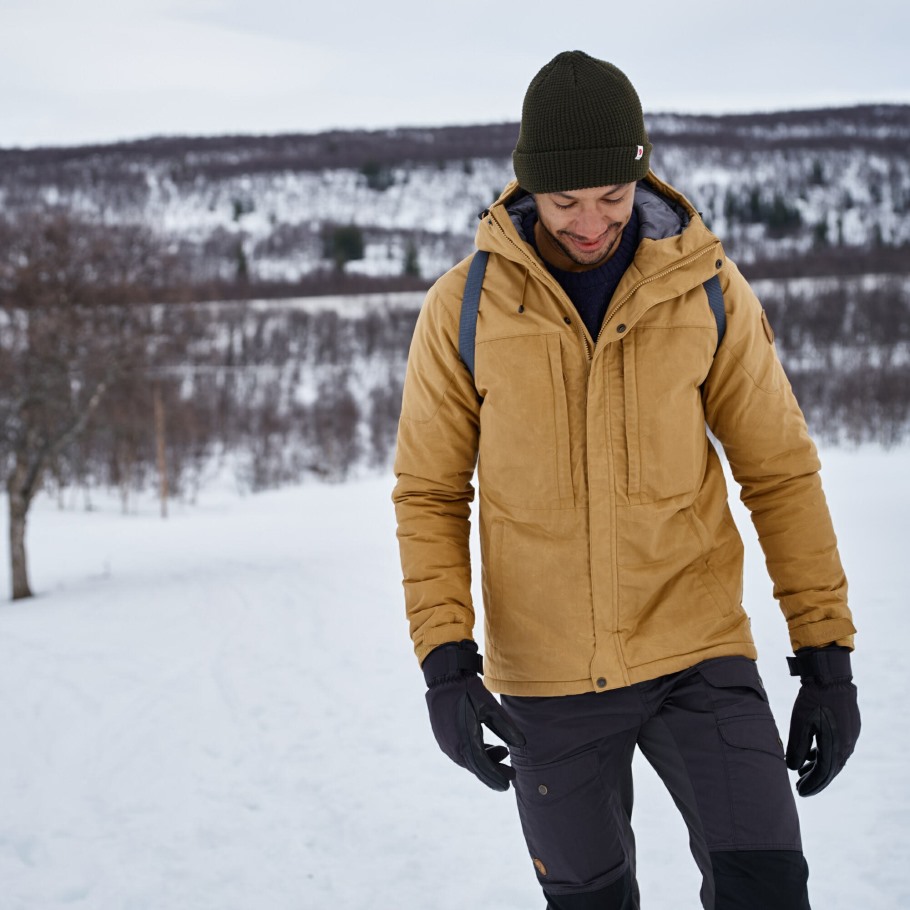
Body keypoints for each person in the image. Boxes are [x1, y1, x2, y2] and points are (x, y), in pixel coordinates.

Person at [392, 50, 859, 910]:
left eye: (611, 197)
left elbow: (779, 471)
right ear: (528, 189)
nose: (590, 223)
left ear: (641, 176)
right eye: (566, 202)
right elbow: (428, 492)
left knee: (767, 889)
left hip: (698, 652)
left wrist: (825, 654)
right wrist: (446, 661)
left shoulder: (706, 290)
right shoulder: (464, 310)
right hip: (549, 680)